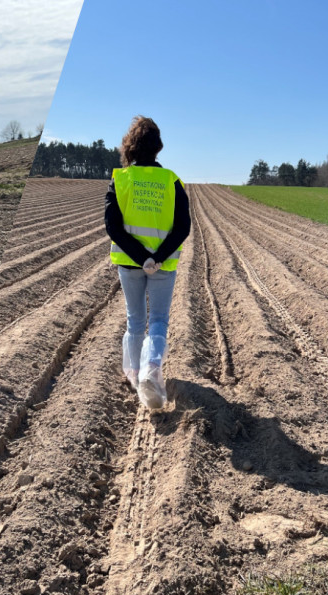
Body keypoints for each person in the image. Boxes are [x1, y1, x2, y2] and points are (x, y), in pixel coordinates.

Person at [104, 116, 191, 409]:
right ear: (158, 147)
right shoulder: (171, 181)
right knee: (158, 320)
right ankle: (151, 371)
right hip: (162, 266)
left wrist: (141, 258)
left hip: (130, 264)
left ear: (130, 146)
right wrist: (156, 257)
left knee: (135, 320)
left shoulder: (120, 180)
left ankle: (134, 375)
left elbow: (113, 227)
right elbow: (183, 227)